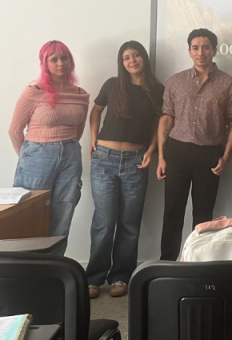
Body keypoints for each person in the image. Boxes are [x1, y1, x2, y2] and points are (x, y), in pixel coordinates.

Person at [86, 41, 165, 299]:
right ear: (121, 62)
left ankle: (121, 276)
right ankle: (93, 278)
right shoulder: (112, 85)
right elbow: (96, 111)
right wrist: (93, 138)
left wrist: (152, 150)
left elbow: (159, 125)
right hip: (104, 159)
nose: (132, 61)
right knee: (104, 221)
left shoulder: (157, 89)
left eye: (136, 55)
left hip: (136, 161)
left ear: (144, 58)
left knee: (129, 223)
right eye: (126, 57)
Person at [156, 28, 232, 261]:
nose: (200, 52)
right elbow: (167, 118)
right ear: (189, 51)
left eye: (205, 47)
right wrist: (162, 156)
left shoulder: (229, 83)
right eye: (195, 48)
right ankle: (167, 263)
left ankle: (198, 263)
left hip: (209, 154)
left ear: (214, 50)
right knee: (172, 211)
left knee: (203, 215)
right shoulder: (175, 81)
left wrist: (226, 155)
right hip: (177, 152)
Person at [9, 40, 89, 256]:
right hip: (37, 155)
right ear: (45, 63)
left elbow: (78, 129)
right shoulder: (34, 92)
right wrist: (28, 157)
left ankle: (53, 265)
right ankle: (25, 266)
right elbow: (14, 130)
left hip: (71, 155)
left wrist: (65, 148)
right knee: (30, 210)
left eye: (64, 58)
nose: (60, 63)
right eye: (54, 59)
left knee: (64, 209)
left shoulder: (80, 94)